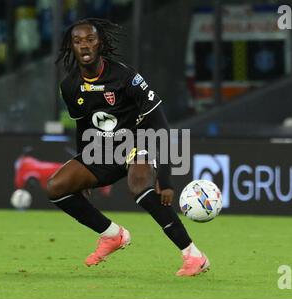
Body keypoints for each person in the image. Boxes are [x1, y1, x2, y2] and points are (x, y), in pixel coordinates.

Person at [48, 18, 209, 276]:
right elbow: (83, 127)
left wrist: (165, 179)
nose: (85, 45)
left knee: (139, 186)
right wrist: (84, 167)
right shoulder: (69, 86)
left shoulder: (126, 77)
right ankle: (113, 235)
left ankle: (193, 255)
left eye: (90, 39)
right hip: (104, 149)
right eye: (78, 41)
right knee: (56, 187)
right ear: (71, 46)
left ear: (100, 43)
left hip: (140, 141)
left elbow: (160, 124)